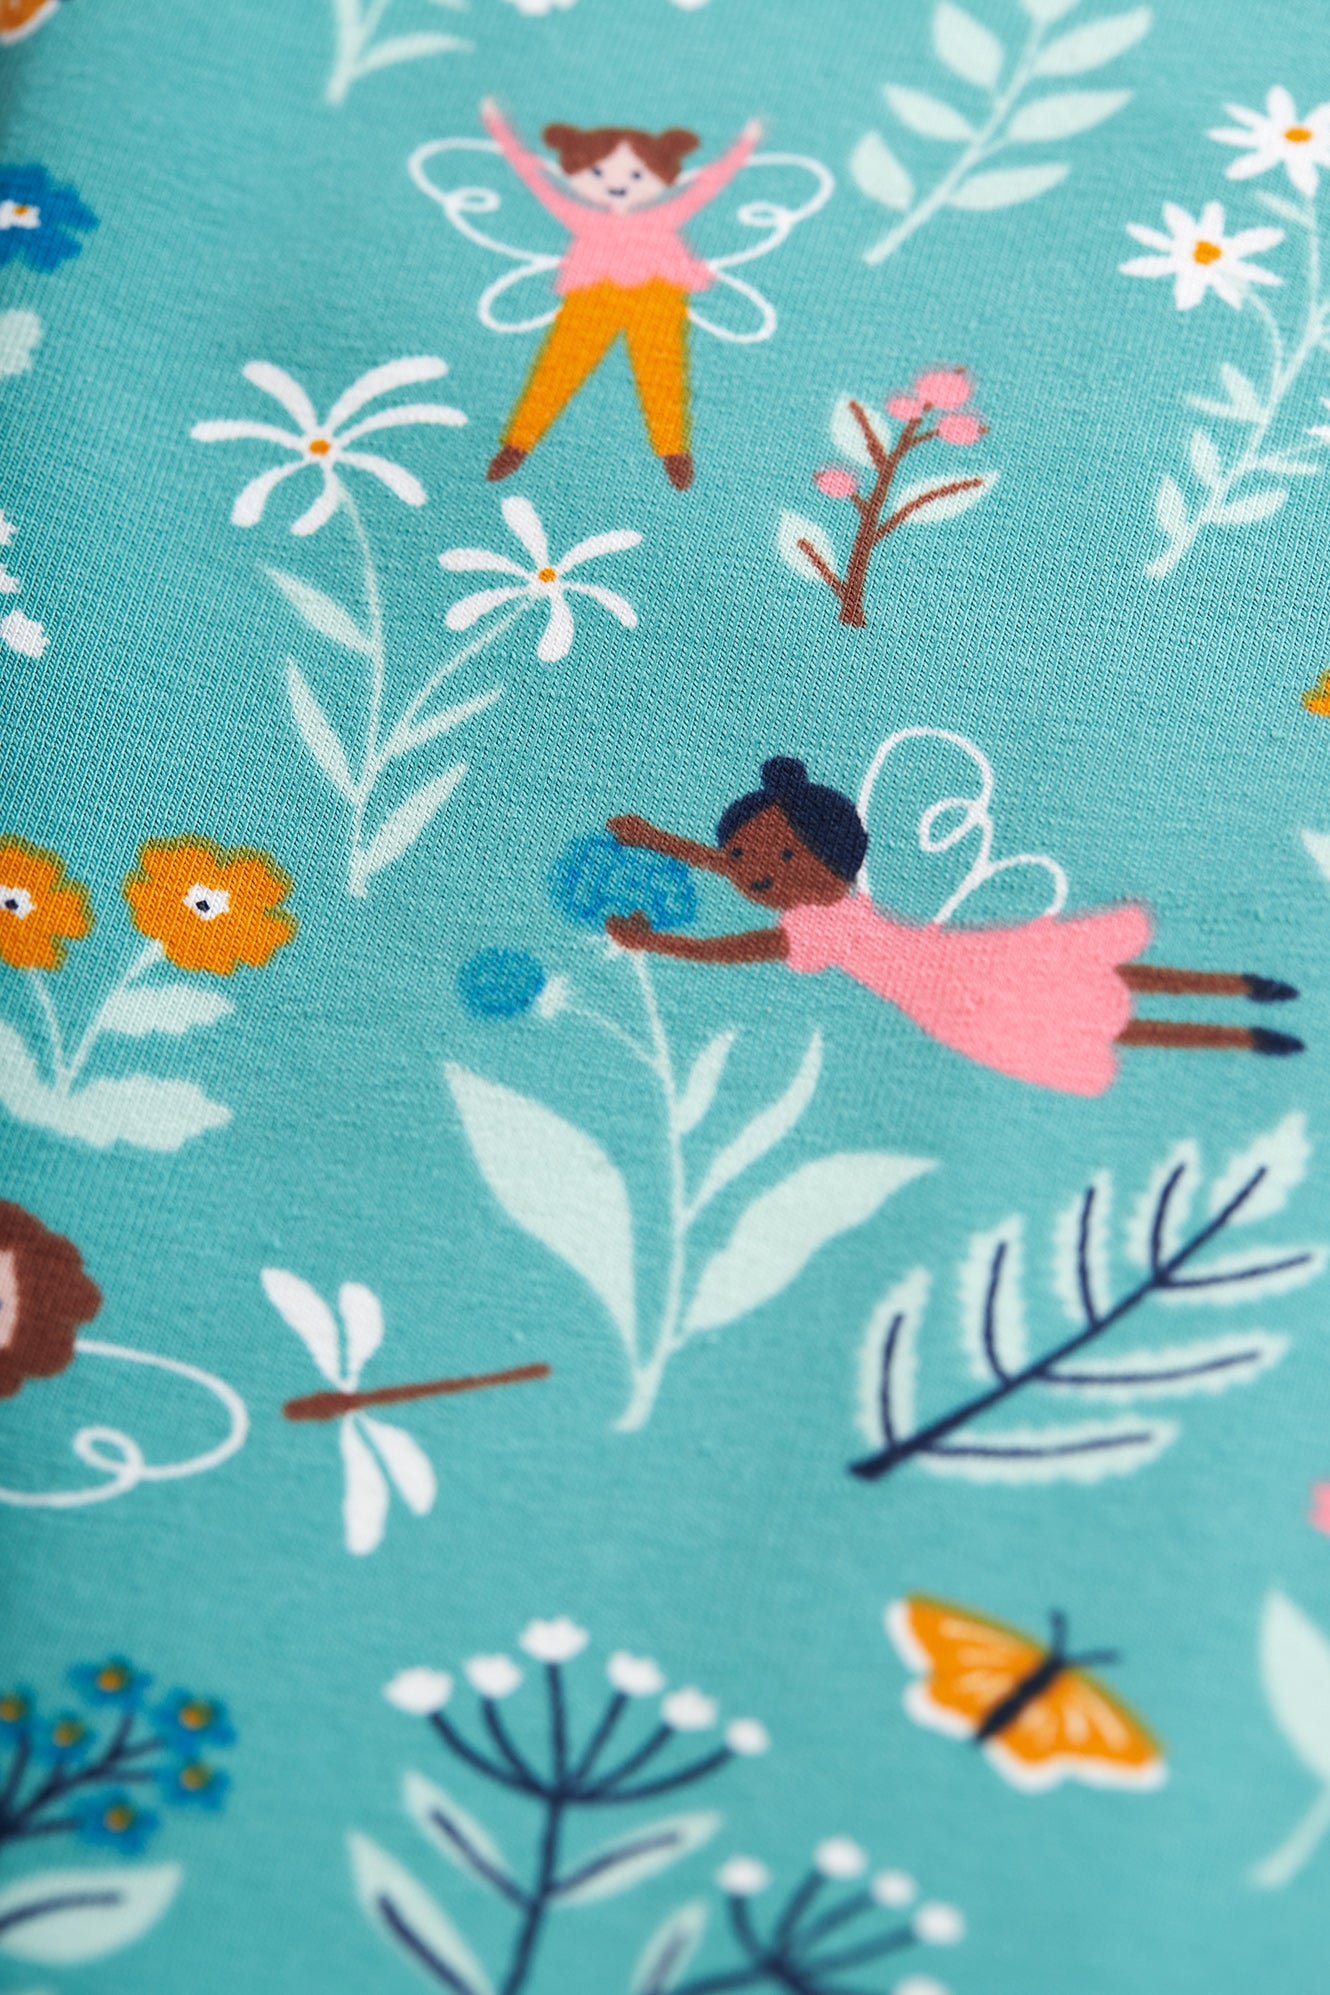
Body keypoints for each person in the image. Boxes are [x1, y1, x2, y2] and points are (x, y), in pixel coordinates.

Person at [604, 757, 1303, 1096]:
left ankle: (1243, 1021)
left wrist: (655, 942)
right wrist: (657, 841)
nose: (752, 874)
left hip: (952, 986)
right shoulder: (823, 899)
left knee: (1079, 1005)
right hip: (949, 971)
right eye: (744, 859)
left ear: (820, 853)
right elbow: (734, 867)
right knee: (1084, 989)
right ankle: (1243, 1003)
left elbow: (735, 945)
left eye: (781, 856)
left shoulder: (816, 928)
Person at [480, 99, 761, 490]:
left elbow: (708, 185)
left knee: (662, 373)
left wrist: (746, 143)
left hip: (657, 293)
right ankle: (517, 444)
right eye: (596, 171)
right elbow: (532, 176)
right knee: (558, 366)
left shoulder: (663, 216)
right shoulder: (581, 216)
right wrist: (498, 127)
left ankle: (674, 452)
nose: (617, 183)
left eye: (637, 173)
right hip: (593, 294)